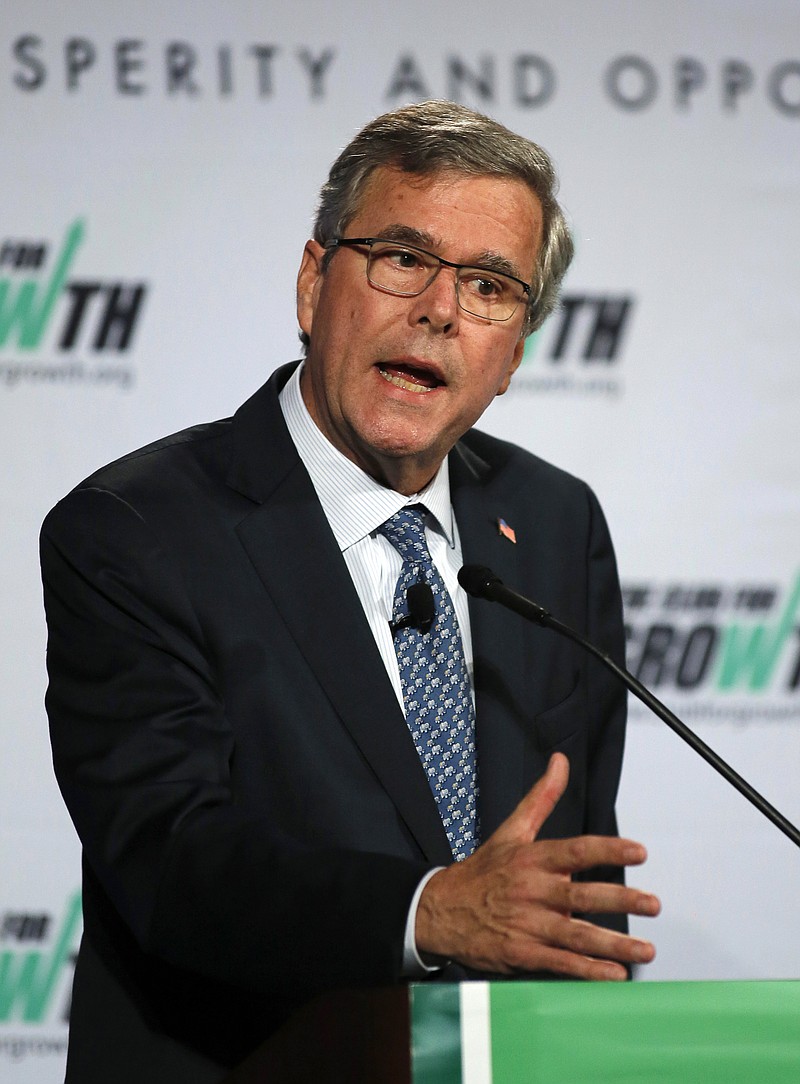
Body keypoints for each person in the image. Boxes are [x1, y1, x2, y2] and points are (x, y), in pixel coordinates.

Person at [40, 100, 660, 1083]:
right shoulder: (137, 530)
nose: (440, 310)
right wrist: (428, 910)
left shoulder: (551, 523)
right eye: (403, 258)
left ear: (515, 354)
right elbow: (169, 859)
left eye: (490, 285)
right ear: (311, 280)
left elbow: (566, 883)